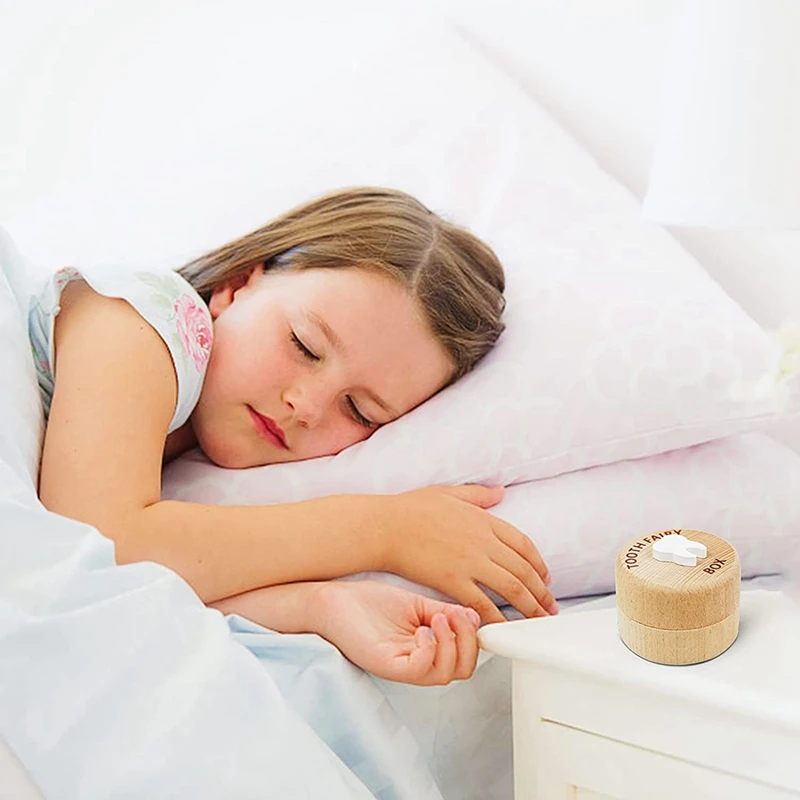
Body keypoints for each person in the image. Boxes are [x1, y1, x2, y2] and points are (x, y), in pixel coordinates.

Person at [30, 187, 557, 686]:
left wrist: (319, 607)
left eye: (358, 409)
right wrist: (385, 530)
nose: (304, 406)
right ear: (237, 285)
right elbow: (98, 550)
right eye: (304, 346)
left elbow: (137, 589)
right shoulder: (140, 317)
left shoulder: (175, 449)